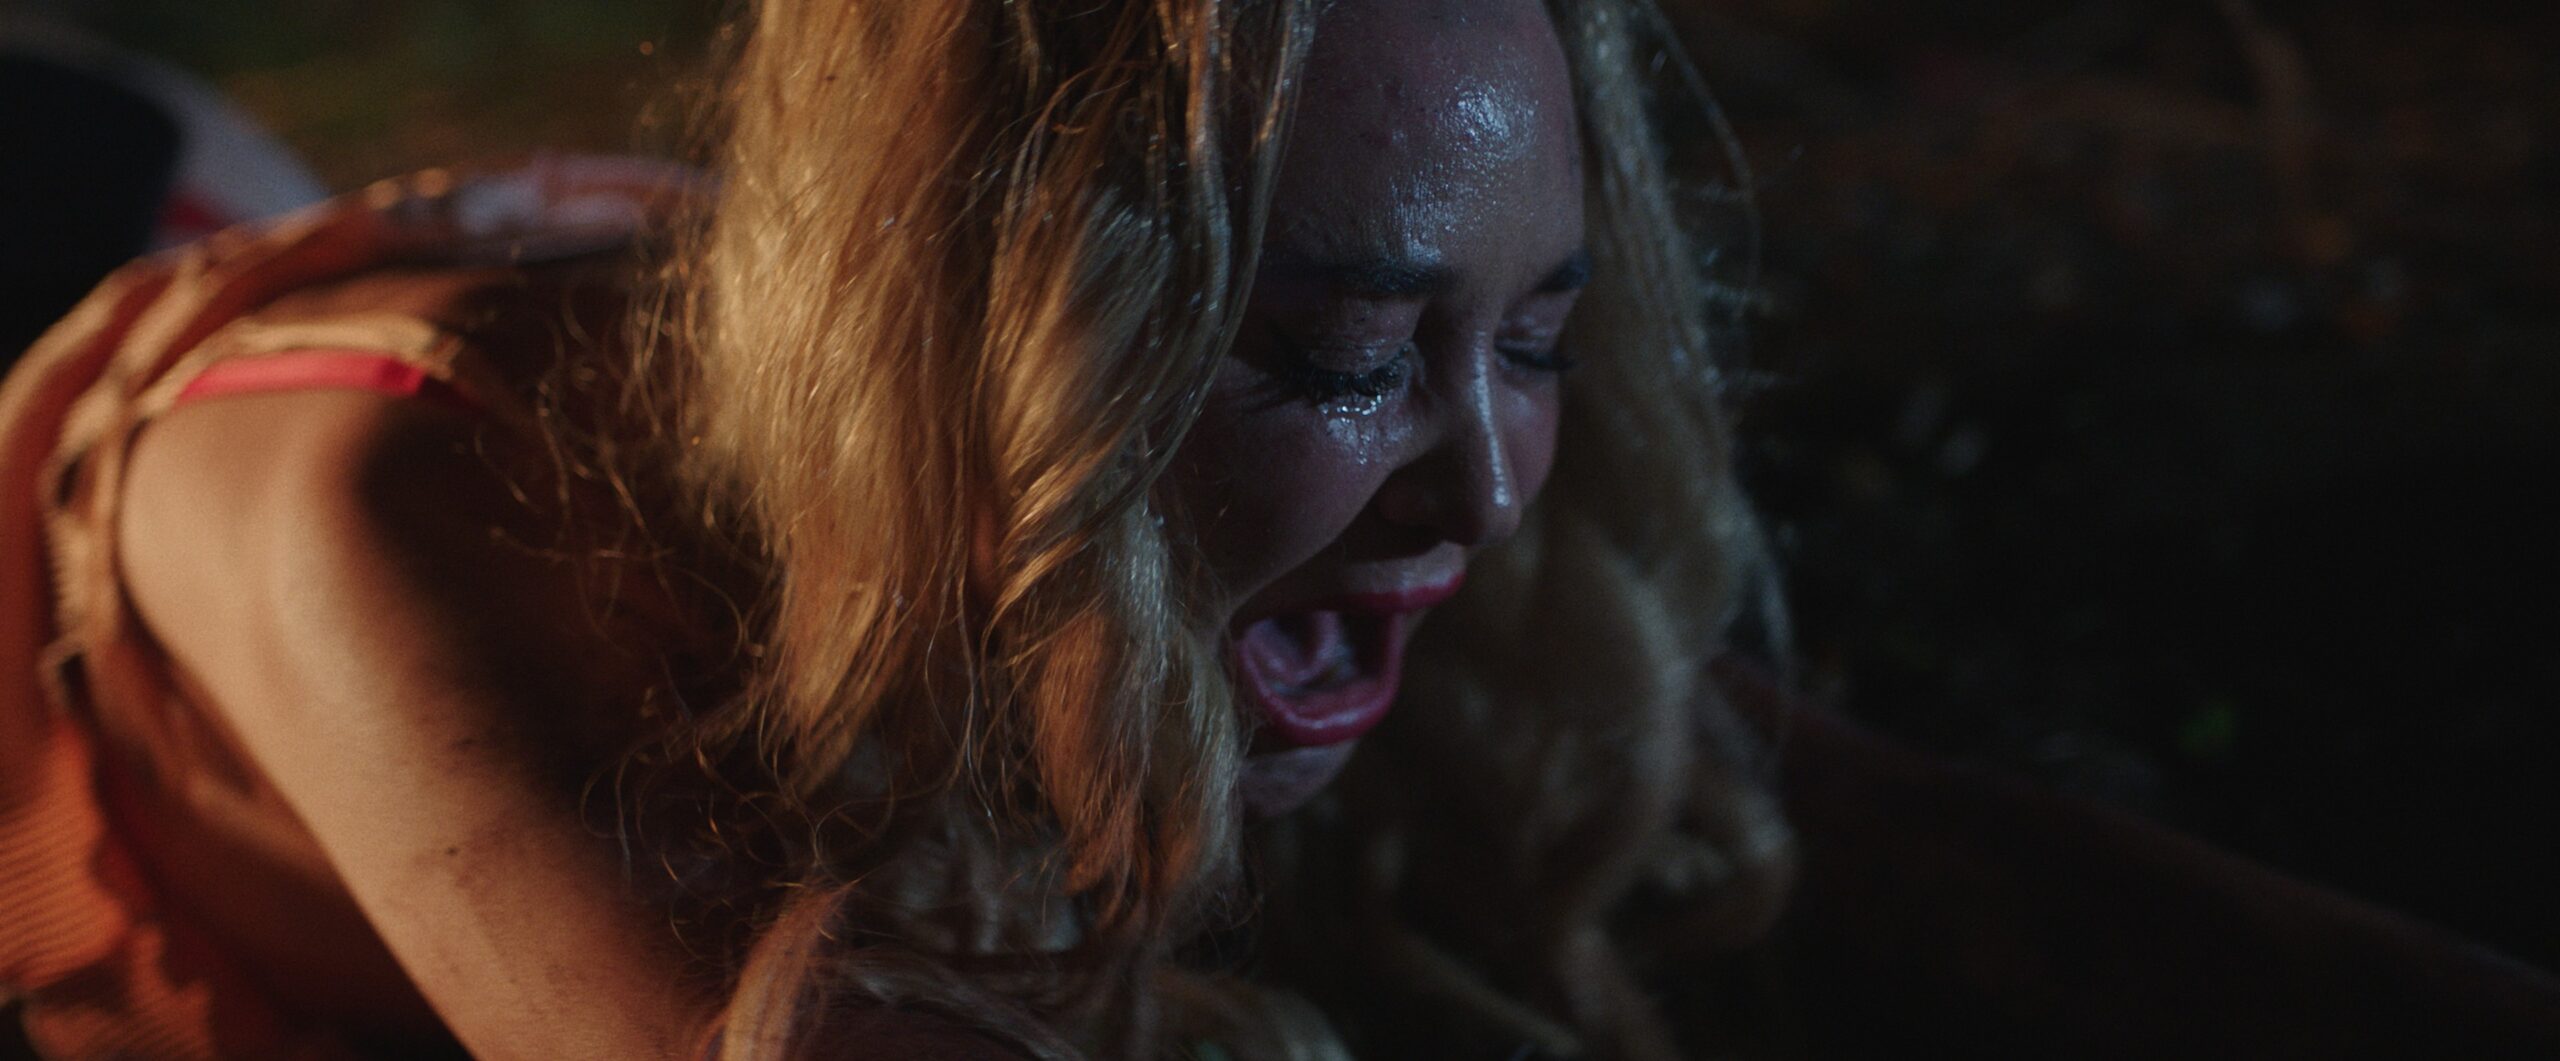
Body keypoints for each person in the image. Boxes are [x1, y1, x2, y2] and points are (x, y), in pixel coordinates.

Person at [7, 1, 2560, 1059]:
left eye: (1536, 334)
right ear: (1004, 356)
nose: (1489, 488)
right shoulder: (397, 528)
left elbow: (1860, 831)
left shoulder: (1158, 457)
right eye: (1341, 355)